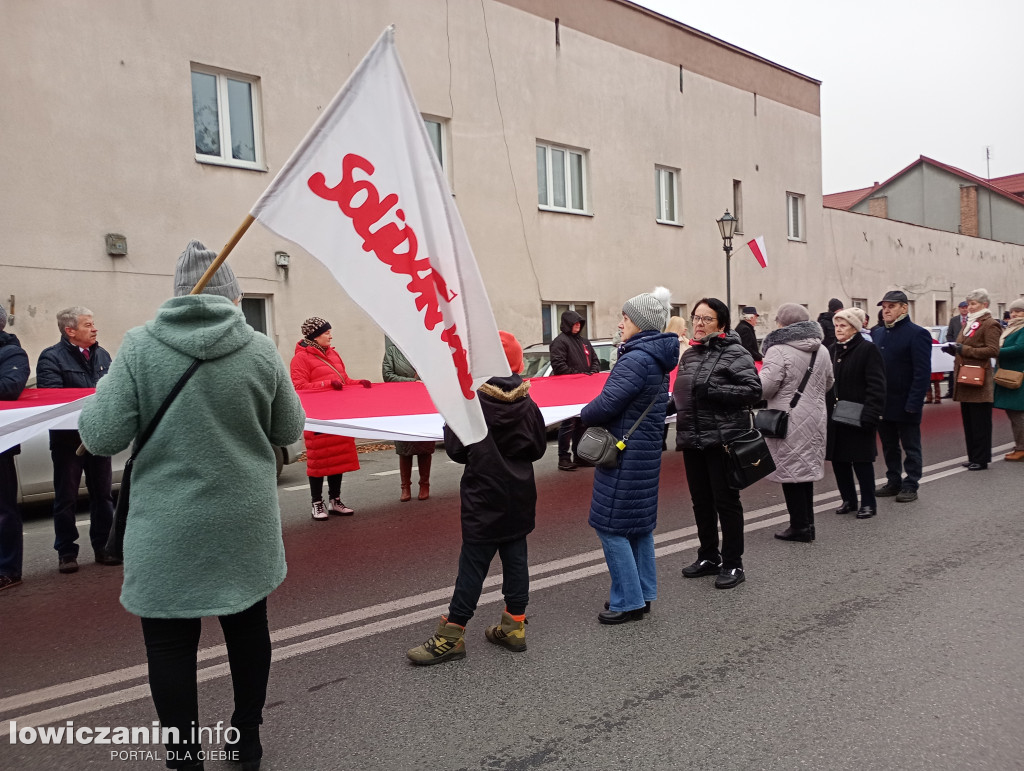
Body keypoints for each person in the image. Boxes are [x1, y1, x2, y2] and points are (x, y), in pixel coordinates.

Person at [78, 241, 306, 771]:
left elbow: (103, 434)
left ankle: (183, 759)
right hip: (243, 522)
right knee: (248, 633)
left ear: (178, 294)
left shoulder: (137, 347)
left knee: (170, 646)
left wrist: (105, 388)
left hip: (165, 526)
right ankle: (245, 741)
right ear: (231, 295)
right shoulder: (258, 348)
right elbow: (289, 429)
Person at [406, 331, 546, 664]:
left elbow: (456, 450)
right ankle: (514, 626)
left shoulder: (471, 404)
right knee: (516, 561)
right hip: (519, 496)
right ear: (516, 363)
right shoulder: (528, 403)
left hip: (483, 499)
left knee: (472, 568)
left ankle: (452, 634)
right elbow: (538, 448)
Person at [581, 288, 677, 623]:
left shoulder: (635, 358)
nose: (621, 323)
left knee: (610, 527)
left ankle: (628, 601)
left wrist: (583, 413)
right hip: (644, 452)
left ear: (638, 321)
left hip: (624, 455)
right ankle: (643, 594)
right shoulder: (655, 356)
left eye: (624, 317)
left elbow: (606, 404)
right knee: (638, 528)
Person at [674, 297, 762, 589]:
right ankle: (708, 556)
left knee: (726, 502)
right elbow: (682, 398)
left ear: (721, 323)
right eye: (696, 318)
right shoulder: (689, 355)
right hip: (692, 439)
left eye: (706, 319)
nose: (698, 324)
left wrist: (714, 388)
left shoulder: (736, 352)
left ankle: (733, 563)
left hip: (722, 440)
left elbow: (753, 391)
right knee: (701, 502)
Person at [36, 305, 120, 574]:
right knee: (66, 497)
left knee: (103, 496)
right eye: (87, 325)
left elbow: (113, 388)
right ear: (70, 331)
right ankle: (67, 552)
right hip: (68, 441)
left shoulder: (103, 354)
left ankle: (103, 547)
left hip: (98, 434)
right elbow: (53, 398)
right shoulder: (51, 358)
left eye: (93, 323)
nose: (95, 329)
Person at [758, 304, 834, 542]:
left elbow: (765, 388)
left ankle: (799, 526)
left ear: (783, 323)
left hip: (788, 419)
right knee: (805, 470)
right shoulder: (821, 349)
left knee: (791, 471)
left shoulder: (778, 350)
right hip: (815, 417)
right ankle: (807, 523)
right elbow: (829, 381)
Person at [290, 317, 370, 520]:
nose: (330, 335)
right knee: (318, 462)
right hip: (318, 417)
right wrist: (326, 385)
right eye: (327, 333)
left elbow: (343, 380)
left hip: (337, 414)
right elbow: (298, 387)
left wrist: (359, 383)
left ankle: (335, 500)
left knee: (338, 458)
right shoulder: (300, 359)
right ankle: (317, 503)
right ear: (315, 336)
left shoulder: (333, 354)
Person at [872, 290, 933, 502]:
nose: (886, 310)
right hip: (884, 402)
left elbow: (922, 372)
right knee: (889, 446)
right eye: (884, 307)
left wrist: (914, 402)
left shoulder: (917, 333)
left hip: (906, 401)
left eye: (891, 306)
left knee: (911, 446)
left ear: (904, 308)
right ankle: (894, 480)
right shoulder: (878, 333)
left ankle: (911, 484)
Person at [826, 308, 886, 519]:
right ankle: (849, 500)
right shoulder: (831, 349)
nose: (838, 329)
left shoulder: (867, 349)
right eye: (836, 325)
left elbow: (876, 385)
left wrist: (871, 414)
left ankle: (868, 503)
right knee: (839, 460)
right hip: (834, 416)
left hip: (859, 415)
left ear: (855, 328)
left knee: (861, 461)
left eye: (843, 325)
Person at [942, 289, 1002, 470]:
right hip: (966, 378)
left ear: (985, 305)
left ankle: (981, 459)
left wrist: (963, 350)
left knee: (980, 422)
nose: (969, 307)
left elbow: (993, 350)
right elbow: (965, 346)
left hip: (979, 379)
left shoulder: (990, 323)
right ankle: (973, 456)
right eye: (968, 304)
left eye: (973, 304)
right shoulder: (969, 323)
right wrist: (954, 349)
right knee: (969, 422)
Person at [382, 337, 434, 501]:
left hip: (423, 403)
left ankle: (424, 484)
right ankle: (405, 487)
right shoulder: (392, 351)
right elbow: (388, 375)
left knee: (425, 446)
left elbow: (436, 373)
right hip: (402, 405)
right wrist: (413, 381)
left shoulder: (425, 352)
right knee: (404, 447)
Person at [0, 300, 30, 591]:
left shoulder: (11, 352)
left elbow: (10, 387)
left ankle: (8, 569)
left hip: (1, 444)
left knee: (3, 510)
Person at [549, 310, 601, 471]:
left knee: (583, 422)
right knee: (568, 423)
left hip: (584, 389)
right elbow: (558, 365)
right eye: (575, 322)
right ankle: (563, 458)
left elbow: (595, 361)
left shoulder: (585, 342)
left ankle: (579, 456)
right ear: (567, 324)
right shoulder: (559, 342)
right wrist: (578, 376)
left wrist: (592, 373)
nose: (578, 325)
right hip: (568, 389)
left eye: (580, 323)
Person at [994, 299, 1024, 462]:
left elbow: (1020, 348)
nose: (1014, 314)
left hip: (1018, 375)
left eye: (1019, 311)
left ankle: (1022, 448)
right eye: (1012, 311)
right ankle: (1020, 445)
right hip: (1010, 373)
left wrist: (997, 352)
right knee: (1015, 413)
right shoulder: (1013, 327)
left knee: (1017, 413)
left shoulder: (1022, 328)